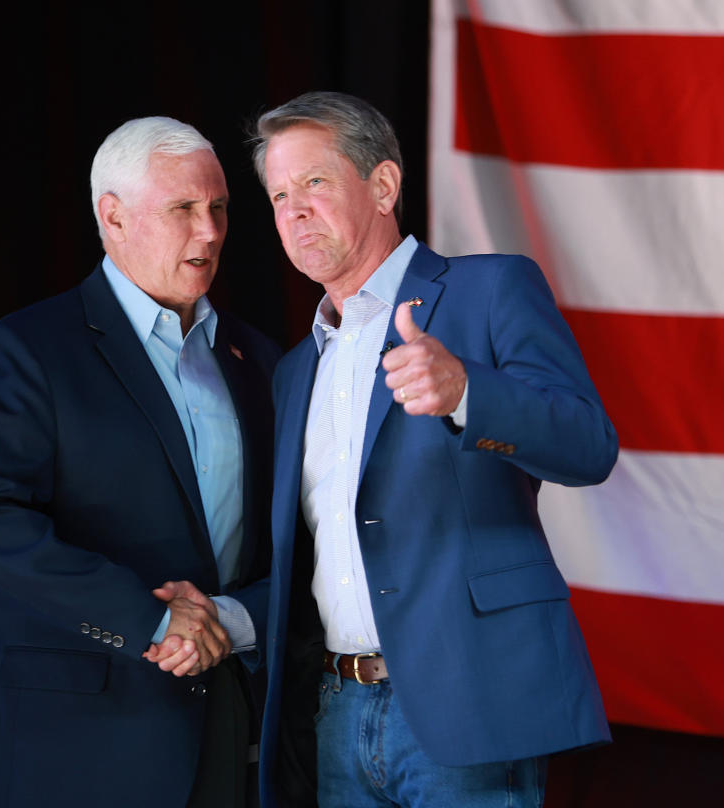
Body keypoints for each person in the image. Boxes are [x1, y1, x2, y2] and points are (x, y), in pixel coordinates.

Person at [251, 92, 619, 808]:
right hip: (336, 712)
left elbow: (588, 445)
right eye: (278, 195)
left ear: (384, 185)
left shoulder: (489, 290)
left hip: (468, 701)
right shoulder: (295, 369)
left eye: (315, 183)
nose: (294, 210)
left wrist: (465, 394)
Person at [0, 116, 278, 808]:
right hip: (75, 744)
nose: (210, 232)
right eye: (183, 209)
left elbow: (296, 549)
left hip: (227, 734)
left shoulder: (260, 361)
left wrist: (229, 620)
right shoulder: (32, 349)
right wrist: (151, 619)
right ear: (113, 216)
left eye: (218, 209)